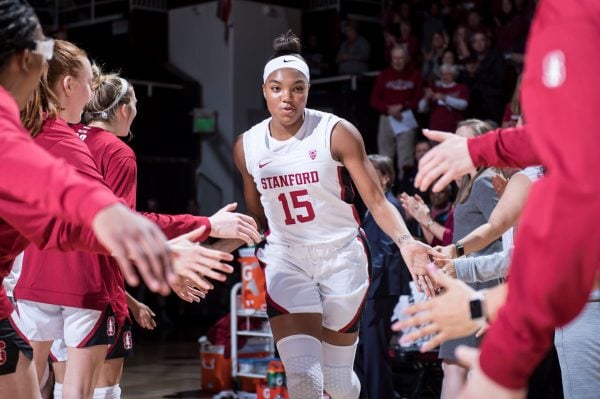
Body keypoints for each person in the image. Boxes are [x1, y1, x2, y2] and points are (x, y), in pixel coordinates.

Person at [397, 1, 600, 396]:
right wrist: (455, 260)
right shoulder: (529, 175)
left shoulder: (576, 19)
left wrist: (487, 313)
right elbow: (514, 252)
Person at [0, 3, 202, 397]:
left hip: (26, 288)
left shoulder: (34, 123)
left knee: (35, 381)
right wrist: (134, 231)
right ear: (27, 60)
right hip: (84, 288)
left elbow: (55, 225)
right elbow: (53, 186)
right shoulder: (64, 135)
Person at [233, 31, 436, 399]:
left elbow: (376, 200)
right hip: (287, 258)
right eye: (277, 88)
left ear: (308, 90)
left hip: (341, 257)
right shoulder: (246, 146)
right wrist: (209, 245)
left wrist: (406, 243)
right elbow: (257, 220)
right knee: (304, 379)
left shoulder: (337, 132)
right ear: (264, 90)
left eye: (297, 88)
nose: (287, 97)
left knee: (337, 381)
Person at [354, 154, 409, 399]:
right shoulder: (374, 206)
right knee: (366, 352)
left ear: (385, 178)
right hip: (374, 289)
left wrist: (363, 284)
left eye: (371, 171)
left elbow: (384, 252)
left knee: (374, 354)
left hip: (379, 290)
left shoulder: (390, 206)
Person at [370, 45, 423, 181]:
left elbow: (418, 98)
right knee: (384, 157)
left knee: (406, 158)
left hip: (405, 118)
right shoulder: (385, 75)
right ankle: (386, 190)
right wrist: (389, 109)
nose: (398, 61)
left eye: (400, 58)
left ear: (406, 59)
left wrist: (402, 106)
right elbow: (374, 99)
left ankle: (405, 188)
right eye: (395, 59)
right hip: (387, 118)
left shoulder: (415, 74)